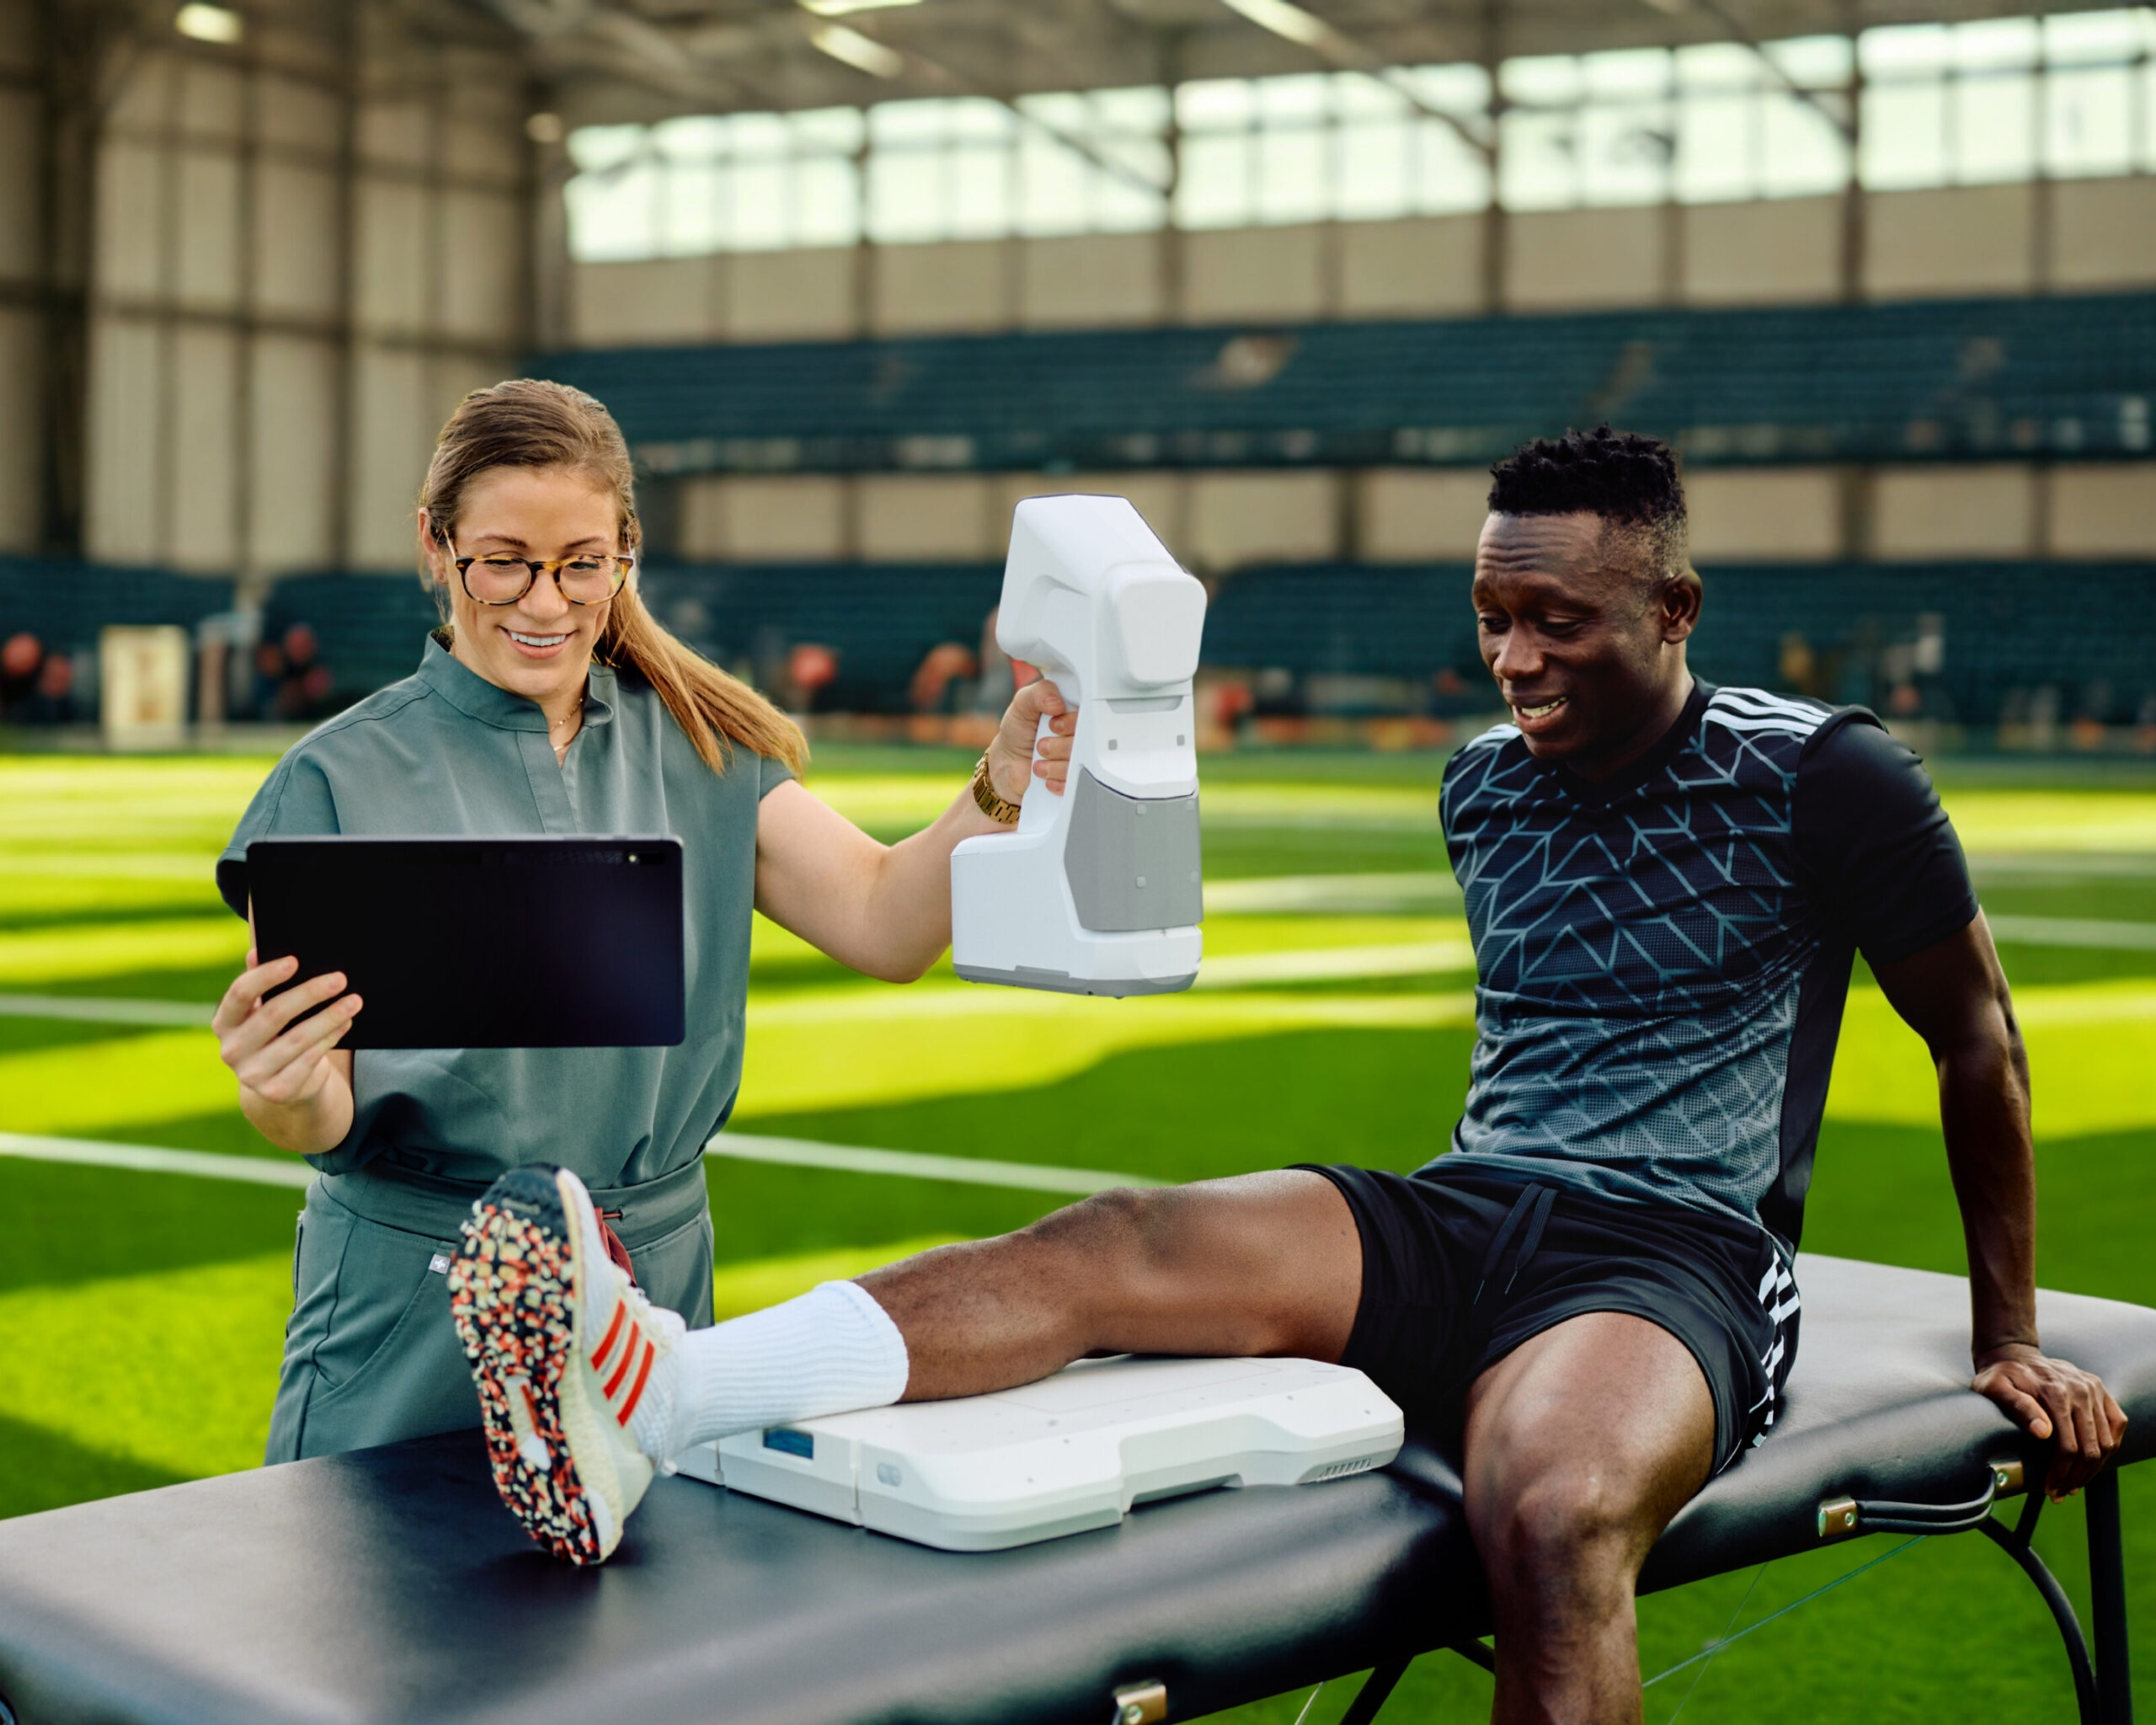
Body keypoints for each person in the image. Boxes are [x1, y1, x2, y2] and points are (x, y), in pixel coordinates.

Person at [450, 425, 2127, 1721]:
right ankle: (658, 1390)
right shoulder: (1481, 786)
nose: (1515, 659)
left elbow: (1975, 1039)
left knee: (1543, 1509)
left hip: (1671, 1257)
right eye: (1489, 619)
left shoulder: (1824, 776)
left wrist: (2003, 1335)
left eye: (1557, 621)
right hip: (1471, 1215)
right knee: (1112, 1238)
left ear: (1670, 609)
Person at [210, 378, 1075, 1465]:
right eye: (503, 561)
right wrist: (276, 1087)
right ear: (436, 549)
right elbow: (317, 1117)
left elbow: (885, 922)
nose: (545, 600)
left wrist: (996, 782)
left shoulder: (703, 745)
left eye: (582, 562)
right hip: (415, 1317)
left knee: (638, 1631)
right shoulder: (332, 779)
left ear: (626, 553)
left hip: (650, 1311)